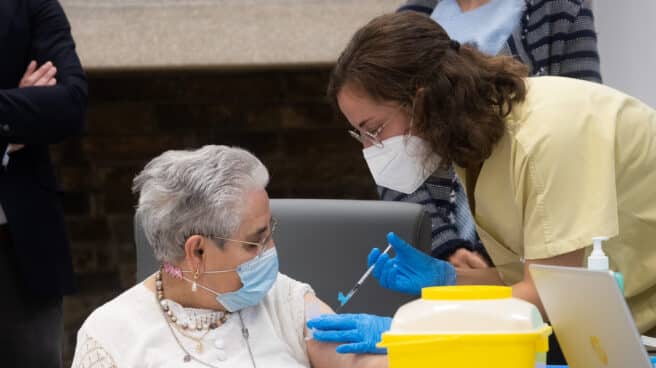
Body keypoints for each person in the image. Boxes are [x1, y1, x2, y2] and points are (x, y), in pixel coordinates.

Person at [308, 11, 656, 363]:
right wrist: (450, 279)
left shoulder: (546, 137)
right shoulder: (475, 147)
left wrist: (412, 331)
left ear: (423, 100)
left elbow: (553, 298)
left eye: (375, 129)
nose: (370, 149)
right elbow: (530, 281)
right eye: (361, 135)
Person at [71, 145, 387, 368]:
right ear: (196, 252)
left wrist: (415, 340)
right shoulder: (110, 334)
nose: (271, 251)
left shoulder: (284, 299)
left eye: (269, 231)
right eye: (254, 243)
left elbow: (356, 362)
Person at [369, 0, 603, 269]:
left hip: (534, 236)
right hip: (447, 244)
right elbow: (391, 155)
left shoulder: (558, 7)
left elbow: (580, 123)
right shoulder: (414, 15)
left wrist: (496, 253)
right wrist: (443, 245)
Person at [0, 0, 88, 367]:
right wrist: (21, 109)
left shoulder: (32, 5)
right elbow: (41, 109)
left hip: (20, 249)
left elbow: (69, 102)